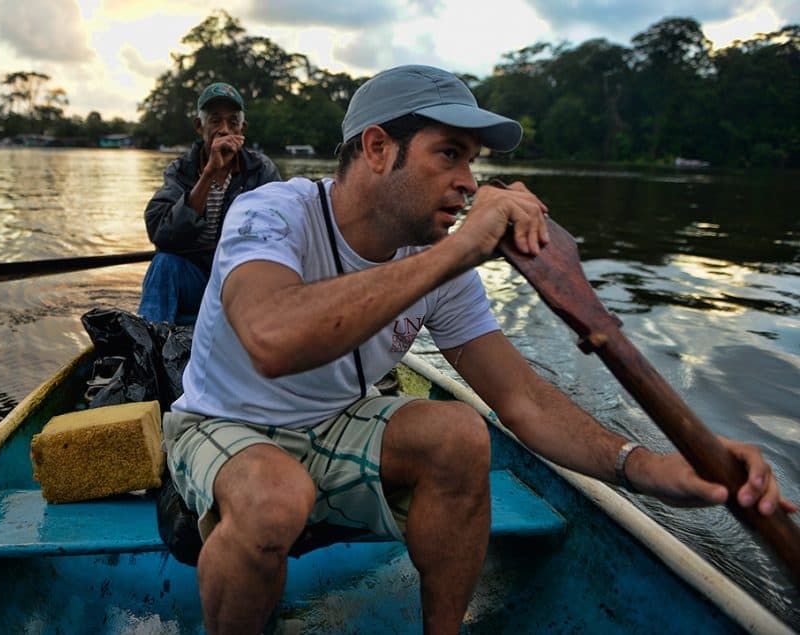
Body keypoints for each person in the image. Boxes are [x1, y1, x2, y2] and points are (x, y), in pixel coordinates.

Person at [162, 65, 796, 634]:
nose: (468, 184)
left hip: (332, 423)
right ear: (379, 148)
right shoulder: (271, 211)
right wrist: (460, 249)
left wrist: (649, 467)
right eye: (450, 155)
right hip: (225, 421)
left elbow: (522, 399)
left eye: (474, 163)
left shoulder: (439, 262)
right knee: (276, 500)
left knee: (462, 434)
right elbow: (271, 339)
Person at [139, 81, 281, 324]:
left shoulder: (260, 170)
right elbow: (160, 233)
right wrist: (209, 173)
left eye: (232, 122)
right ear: (199, 126)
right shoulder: (181, 170)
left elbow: (281, 230)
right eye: (215, 121)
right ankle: (148, 348)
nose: (224, 130)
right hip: (194, 277)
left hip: (238, 282)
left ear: (242, 130)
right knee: (163, 265)